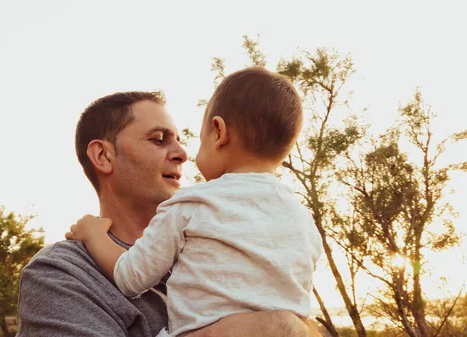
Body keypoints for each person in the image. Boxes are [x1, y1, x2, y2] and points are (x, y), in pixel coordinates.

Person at [16, 87, 321, 337]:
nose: (183, 154)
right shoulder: (64, 274)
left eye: (181, 140)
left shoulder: (209, 233)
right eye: (159, 140)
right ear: (103, 155)